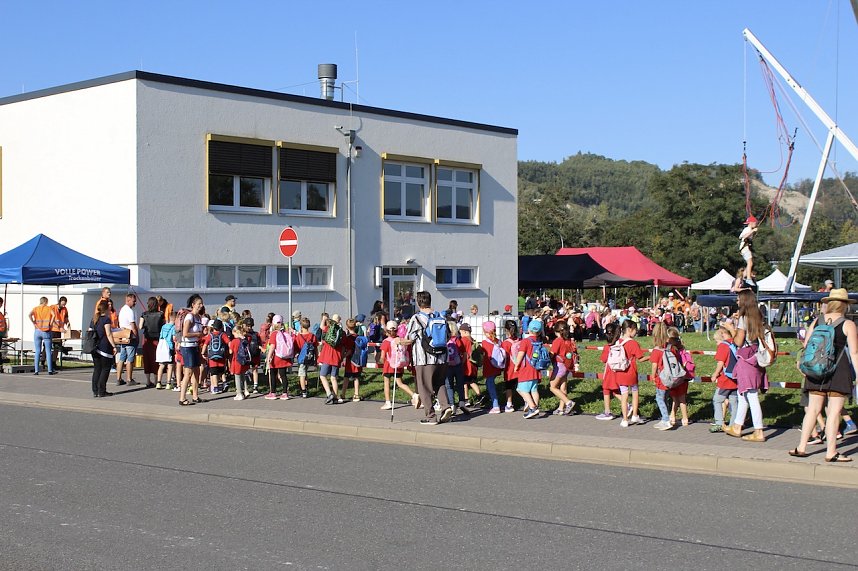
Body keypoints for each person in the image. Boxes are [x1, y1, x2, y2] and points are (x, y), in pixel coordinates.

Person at [789, 289, 858, 462]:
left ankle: (801, 447)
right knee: (834, 413)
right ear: (845, 305)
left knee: (812, 409)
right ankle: (831, 452)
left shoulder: (817, 321)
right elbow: (855, 352)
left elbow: (806, 345)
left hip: (816, 370)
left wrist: (804, 365)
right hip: (839, 371)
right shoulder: (848, 324)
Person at [724, 290, 769, 442]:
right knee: (743, 393)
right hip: (756, 356)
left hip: (746, 358)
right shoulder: (758, 316)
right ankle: (737, 426)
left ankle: (758, 431)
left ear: (743, 301)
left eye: (738, 299)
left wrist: (731, 328)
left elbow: (738, 341)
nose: (737, 302)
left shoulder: (744, 318)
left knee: (751, 395)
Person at [407, 291, 453, 425]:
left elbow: (410, 338)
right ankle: (445, 407)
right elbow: (448, 336)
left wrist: (399, 341)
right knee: (439, 383)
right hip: (442, 357)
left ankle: (431, 417)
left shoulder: (416, 318)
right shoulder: (440, 316)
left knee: (424, 387)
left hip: (424, 358)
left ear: (418, 302)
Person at [612, 319, 648, 427]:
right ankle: (635, 415)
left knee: (624, 395)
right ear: (629, 330)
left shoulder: (618, 341)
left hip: (619, 371)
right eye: (635, 330)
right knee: (635, 392)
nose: (636, 332)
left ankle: (624, 419)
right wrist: (650, 357)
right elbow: (640, 358)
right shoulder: (633, 343)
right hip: (631, 371)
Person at [379, 320, 415, 410]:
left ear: (386, 331)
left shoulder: (386, 342)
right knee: (400, 383)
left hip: (388, 365)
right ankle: (413, 395)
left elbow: (382, 357)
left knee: (386, 383)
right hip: (398, 365)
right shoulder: (400, 340)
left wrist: (380, 361)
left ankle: (388, 402)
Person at [709, 324, 739, 433]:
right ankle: (734, 424)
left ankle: (719, 422)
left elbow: (720, 362)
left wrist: (715, 374)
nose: (717, 343)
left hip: (725, 379)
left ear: (722, 335)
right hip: (736, 377)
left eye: (716, 341)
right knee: (734, 401)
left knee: (717, 400)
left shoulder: (723, 346)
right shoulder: (735, 342)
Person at [513, 319, 545, 419]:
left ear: (528, 329)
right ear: (539, 332)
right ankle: (535, 407)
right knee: (534, 389)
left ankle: (533, 407)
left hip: (526, 369)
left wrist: (516, 365)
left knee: (521, 389)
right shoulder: (539, 342)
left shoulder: (525, 341)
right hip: (536, 368)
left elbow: (520, 355)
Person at [177, 294, 205, 406]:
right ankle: (182, 398)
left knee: (196, 372)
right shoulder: (189, 317)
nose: (201, 306)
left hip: (194, 346)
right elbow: (185, 333)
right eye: (199, 304)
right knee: (188, 373)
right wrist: (198, 334)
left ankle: (195, 396)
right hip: (187, 347)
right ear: (193, 305)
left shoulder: (198, 317)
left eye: (201, 304)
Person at [89, 299, 116, 398]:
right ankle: (102, 390)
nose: (110, 310)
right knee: (105, 369)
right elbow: (108, 334)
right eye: (109, 308)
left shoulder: (94, 319)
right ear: (106, 309)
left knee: (97, 369)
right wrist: (114, 346)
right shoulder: (106, 320)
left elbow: (90, 332)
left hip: (94, 347)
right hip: (104, 347)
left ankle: (95, 390)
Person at [548, 321, 576, 416]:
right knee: (563, 387)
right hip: (567, 365)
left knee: (553, 387)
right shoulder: (568, 340)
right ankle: (561, 408)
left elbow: (552, 353)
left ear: (557, 331)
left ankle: (568, 402)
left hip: (559, 366)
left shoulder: (557, 341)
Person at [596, 322, 623, 420]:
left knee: (606, 389)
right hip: (620, 369)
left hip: (609, 371)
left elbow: (603, 359)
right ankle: (627, 405)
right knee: (615, 390)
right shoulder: (621, 344)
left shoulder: (607, 347)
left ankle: (608, 411)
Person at [139, 296, 165, 388]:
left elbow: (140, 326)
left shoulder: (144, 314)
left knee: (147, 359)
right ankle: (156, 380)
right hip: (157, 339)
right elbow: (163, 325)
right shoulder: (161, 314)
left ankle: (147, 380)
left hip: (147, 338)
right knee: (156, 359)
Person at [265, 315, 293, 400]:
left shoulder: (274, 334)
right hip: (284, 357)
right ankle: (285, 393)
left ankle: (273, 392)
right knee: (283, 375)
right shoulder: (285, 333)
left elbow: (272, 346)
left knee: (273, 375)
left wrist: (268, 357)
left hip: (276, 357)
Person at [318, 314, 344, 404]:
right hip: (336, 356)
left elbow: (321, 326)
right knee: (334, 378)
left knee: (322, 375)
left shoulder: (328, 329)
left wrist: (324, 319)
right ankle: (335, 396)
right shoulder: (341, 332)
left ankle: (329, 394)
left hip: (327, 356)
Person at [115, 293, 139, 386]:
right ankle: (129, 379)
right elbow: (133, 325)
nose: (135, 302)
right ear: (128, 300)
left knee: (122, 357)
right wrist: (136, 336)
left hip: (123, 335)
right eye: (133, 301)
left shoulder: (122, 310)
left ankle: (118, 378)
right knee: (130, 358)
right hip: (130, 336)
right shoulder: (129, 311)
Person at [201, 319, 230, 394]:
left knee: (213, 372)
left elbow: (205, 345)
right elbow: (228, 342)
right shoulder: (223, 334)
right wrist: (230, 351)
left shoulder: (210, 335)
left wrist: (203, 353)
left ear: (213, 328)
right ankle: (224, 382)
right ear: (221, 328)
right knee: (221, 371)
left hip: (212, 358)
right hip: (221, 356)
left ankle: (216, 387)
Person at [29, 296, 56, 375]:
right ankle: (50, 370)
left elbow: (29, 314)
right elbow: (53, 315)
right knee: (48, 350)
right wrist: (50, 324)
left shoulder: (36, 308)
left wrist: (33, 322)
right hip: (46, 331)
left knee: (37, 351)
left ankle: (36, 370)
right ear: (46, 302)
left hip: (37, 331)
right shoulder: (49, 308)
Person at [229, 322, 250, 401]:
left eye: (233, 334)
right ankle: (246, 390)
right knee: (243, 376)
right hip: (244, 360)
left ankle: (239, 393)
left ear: (236, 333)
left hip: (236, 360)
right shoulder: (244, 340)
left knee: (237, 377)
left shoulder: (234, 341)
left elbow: (231, 352)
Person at [49, 296, 69, 370]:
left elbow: (66, 318)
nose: (63, 306)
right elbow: (51, 320)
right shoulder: (52, 307)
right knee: (50, 346)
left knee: (57, 348)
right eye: (62, 304)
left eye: (65, 304)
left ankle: (54, 362)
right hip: (52, 330)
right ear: (59, 302)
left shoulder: (65, 309)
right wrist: (59, 328)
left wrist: (68, 323)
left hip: (59, 331)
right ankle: (44, 362)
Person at [738, 215, 759, 287]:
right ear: (752, 223)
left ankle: (743, 277)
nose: (756, 224)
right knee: (750, 263)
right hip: (745, 248)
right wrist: (753, 231)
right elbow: (744, 236)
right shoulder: (748, 229)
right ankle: (748, 278)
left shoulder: (748, 229)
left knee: (749, 263)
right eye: (755, 223)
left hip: (745, 248)